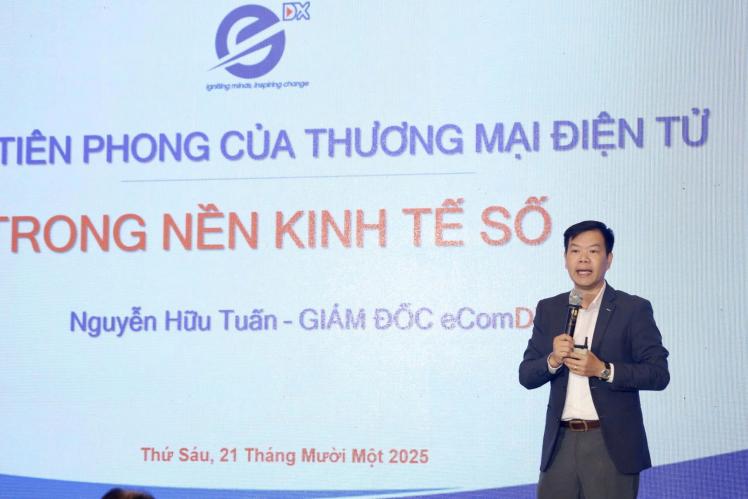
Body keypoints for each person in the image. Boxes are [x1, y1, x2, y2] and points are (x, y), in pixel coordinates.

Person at [519, 220, 669, 499]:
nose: (583, 259)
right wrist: (552, 359)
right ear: (565, 258)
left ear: (608, 259)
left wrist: (603, 370)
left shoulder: (632, 309)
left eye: (593, 251)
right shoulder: (549, 308)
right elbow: (526, 375)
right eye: (575, 251)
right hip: (560, 444)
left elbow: (658, 374)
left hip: (610, 445)